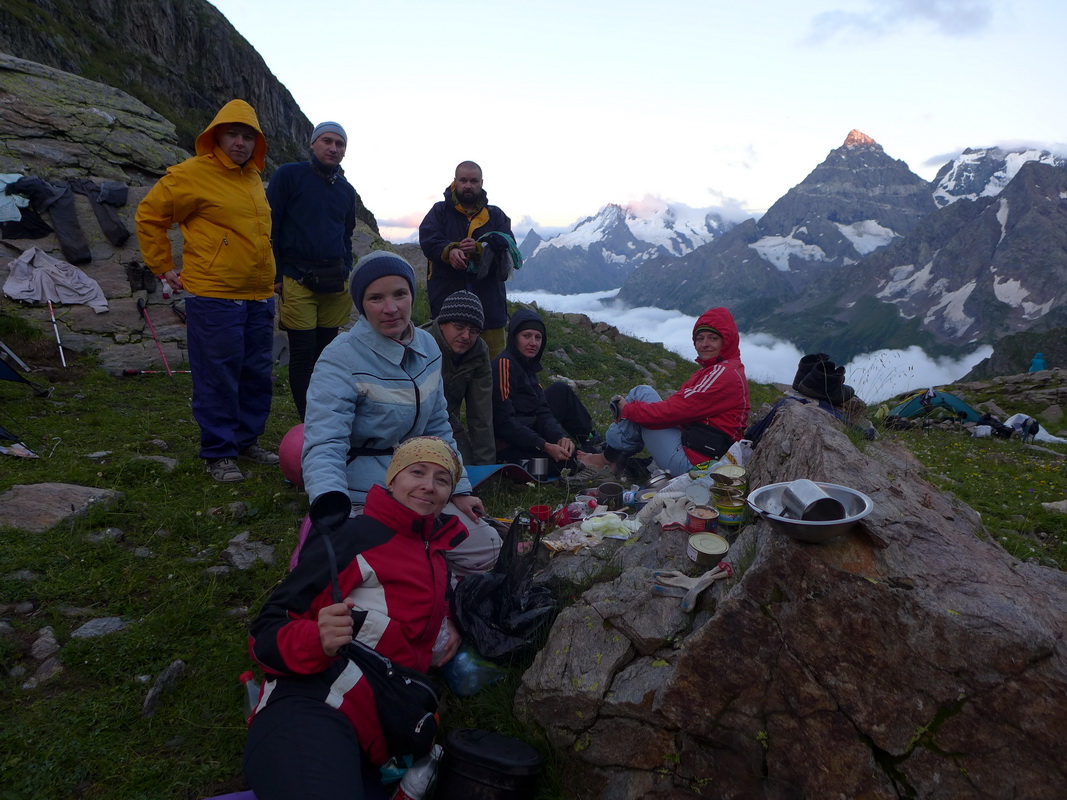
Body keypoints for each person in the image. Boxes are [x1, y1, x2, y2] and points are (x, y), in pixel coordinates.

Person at [244, 437, 465, 800]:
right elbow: (265, 631)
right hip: (313, 706)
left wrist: (448, 620)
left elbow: (430, 603)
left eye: (442, 480)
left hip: (382, 730)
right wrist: (316, 638)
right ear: (392, 479)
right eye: (417, 472)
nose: (429, 485)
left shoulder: (434, 552)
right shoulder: (352, 538)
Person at [301, 251, 500, 577]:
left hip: (422, 485)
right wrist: (333, 508)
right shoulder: (340, 358)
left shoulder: (428, 347)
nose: (391, 308)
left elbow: (438, 425)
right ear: (361, 304)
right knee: (399, 570)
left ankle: (439, 586)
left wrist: (459, 488)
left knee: (487, 548)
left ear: (412, 295)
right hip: (364, 493)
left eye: (399, 294)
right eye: (376, 298)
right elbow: (325, 442)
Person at [136, 99, 278, 483]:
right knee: (218, 375)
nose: (240, 143)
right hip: (214, 295)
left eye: (248, 136)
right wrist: (162, 266)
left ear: (257, 142)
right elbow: (149, 215)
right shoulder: (191, 174)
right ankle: (219, 452)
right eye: (233, 134)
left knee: (255, 374)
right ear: (216, 136)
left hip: (258, 295)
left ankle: (245, 442)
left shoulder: (253, 179)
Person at [579, 307, 750, 477]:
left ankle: (608, 459)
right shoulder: (721, 370)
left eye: (713, 338)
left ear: (726, 341)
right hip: (698, 451)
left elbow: (672, 411)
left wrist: (628, 410)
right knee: (643, 393)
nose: (704, 344)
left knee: (640, 397)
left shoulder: (724, 374)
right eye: (700, 338)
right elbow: (679, 410)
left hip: (698, 467)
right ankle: (613, 457)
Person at [267, 121, 358, 421]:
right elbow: (271, 224)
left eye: (339, 144)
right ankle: (309, 421)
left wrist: (346, 267)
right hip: (296, 277)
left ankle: (326, 416)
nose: (333, 148)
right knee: (303, 354)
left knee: (327, 355)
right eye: (327, 141)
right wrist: (276, 274)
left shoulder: (346, 190)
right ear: (313, 143)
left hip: (334, 281)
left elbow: (346, 234)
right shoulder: (289, 175)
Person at [418, 161, 513, 357]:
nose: (468, 185)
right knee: (446, 367)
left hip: (490, 312)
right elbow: (428, 239)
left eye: (473, 181)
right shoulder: (439, 212)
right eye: (463, 180)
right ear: (455, 181)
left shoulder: (496, 215)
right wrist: (450, 250)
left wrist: (480, 250)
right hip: (447, 310)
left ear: (481, 183)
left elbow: (508, 247)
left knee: (492, 367)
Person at [491, 308, 599, 476]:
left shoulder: (528, 366)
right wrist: (544, 445)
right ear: (514, 337)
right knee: (565, 464)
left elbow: (542, 410)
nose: (533, 343)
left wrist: (559, 438)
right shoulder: (504, 365)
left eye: (538, 337)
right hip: (506, 446)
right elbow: (503, 422)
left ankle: (589, 441)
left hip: (530, 435)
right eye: (526, 336)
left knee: (561, 391)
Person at [420, 290, 496, 465]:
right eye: (459, 326)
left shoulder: (479, 352)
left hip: (445, 419)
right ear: (442, 324)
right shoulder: (419, 343)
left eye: (474, 331)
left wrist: (486, 468)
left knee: (464, 464)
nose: (466, 336)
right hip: (411, 421)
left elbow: (481, 414)